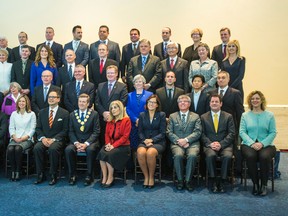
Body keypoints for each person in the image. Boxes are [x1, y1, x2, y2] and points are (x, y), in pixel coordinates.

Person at [240, 90, 276, 196]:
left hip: (266, 145)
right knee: (251, 156)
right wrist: (251, 143)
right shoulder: (245, 115)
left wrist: (262, 144)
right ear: (250, 101)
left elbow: (273, 132)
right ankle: (255, 184)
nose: (255, 100)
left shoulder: (269, 115)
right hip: (248, 144)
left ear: (261, 101)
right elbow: (242, 132)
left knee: (264, 157)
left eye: (257, 98)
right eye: (252, 99)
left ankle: (264, 185)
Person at [33, 89, 69, 185]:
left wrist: (53, 139)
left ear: (58, 99)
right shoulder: (42, 112)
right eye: (49, 97)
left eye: (53, 97)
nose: (51, 99)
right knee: (37, 148)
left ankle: (53, 174)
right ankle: (40, 174)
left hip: (57, 140)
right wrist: (43, 138)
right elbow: (38, 128)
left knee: (53, 149)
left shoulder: (65, 113)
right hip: (44, 139)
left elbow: (65, 130)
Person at [201, 94, 235, 193]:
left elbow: (232, 133)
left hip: (225, 145)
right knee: (210, 156)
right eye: (212, 102)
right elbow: (201, 133)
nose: (214, 103)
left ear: (221, 104)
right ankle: (214, 180)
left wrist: (221, 144)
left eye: (216, 102)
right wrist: (210, 144)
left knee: (228, 156)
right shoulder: (203, 117)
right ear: (209, 104)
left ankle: (223, 181)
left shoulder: (228, 116)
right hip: (209, 145)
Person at [167, 95, 202, 191]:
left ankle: (188, 181)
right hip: (177, 143)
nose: (182, 103)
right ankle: (180, 180)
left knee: (192, 156)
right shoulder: (172, 116)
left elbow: (198, 132)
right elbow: (169, 132)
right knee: (178, 155)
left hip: (192, 143)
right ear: (178, 104)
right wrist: (179, 141)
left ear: (189, 104)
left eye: (185, 101)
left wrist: (186, 140)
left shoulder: (195, 116)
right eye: (180, 101)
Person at [65, 94, 100, 186]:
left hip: (90, 141)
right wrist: (76, 143)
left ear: (88, 103)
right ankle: (72, 175)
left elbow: (96, 131)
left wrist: (86, 144)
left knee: (90, 150)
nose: (81, 103)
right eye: (80, 101)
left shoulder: (94, 114)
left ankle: (89, 175)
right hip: (76, 141)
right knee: (68, 150)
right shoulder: (72, 114)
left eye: (84, 102)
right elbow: (71, 131)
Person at [97, 100, 131, 188]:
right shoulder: (110, 120)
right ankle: (105, 176)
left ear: (120, 109)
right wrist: (108, 144)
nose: (113, 110)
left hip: (123, 146)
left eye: (115, 108)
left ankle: (111, 177)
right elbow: (107, 134)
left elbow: (125, 137)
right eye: (111, 108)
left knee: (109, 155)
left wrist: (113, 146)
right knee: (102, 153)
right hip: (110, 145)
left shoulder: (126, 120)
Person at [137, 94, 166, 188]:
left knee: (150, 153)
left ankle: (151, 177)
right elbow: (140, 131)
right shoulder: (142, 115)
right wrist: (144, 140)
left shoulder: (161, 115)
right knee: (140, 152)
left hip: (158, 142)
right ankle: (146, 176)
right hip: (144, 141)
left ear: (157, 105)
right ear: (147, 103)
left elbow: (163, 133)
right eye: (150, 102)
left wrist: (152, 140)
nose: (151, 104)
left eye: (154, 102)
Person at [94, 65, 128, 145]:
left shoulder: (122, 86)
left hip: (116, 119)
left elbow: (123, 101)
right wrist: (103, 113)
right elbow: (97, 102)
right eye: (108, 73)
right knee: (103, 140)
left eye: (112, 73)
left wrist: (112, 113)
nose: (110, 75)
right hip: (103, 118)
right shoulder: (101, 85)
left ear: (116, 74)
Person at [7, 95, 36, 181]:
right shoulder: (14, 114)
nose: (21, 103)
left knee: (18, 148)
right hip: (15, 138)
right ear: (17, 103)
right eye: (20, 101)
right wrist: (14, 136)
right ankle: (13, 171)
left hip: (27, 139)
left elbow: (32, 129)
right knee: (11, 148)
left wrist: (24, 138)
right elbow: (11, 128)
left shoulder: (31, 114)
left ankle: (18, 171)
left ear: (27, 103)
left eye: (23, 101)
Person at [126, 75, 153, 150]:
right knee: (133, 144)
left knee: (144, 145)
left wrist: (141, 120)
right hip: (133, 124)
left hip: (145, 123)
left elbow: (151, 108)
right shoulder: (129, 95)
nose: (138, 83)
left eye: (140, 81)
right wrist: (135, 119)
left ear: (144, 84)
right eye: (136, 82)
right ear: (134, 85)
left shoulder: (150, 94)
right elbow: (128, 109)